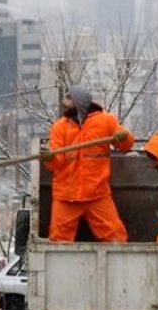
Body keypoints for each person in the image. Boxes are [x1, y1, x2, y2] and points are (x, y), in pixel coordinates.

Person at [43, 86, 134, 242]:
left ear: (79, 101)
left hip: (97, 194)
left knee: (116, 239)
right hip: (66, 196)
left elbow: (126, 146)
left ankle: (116, 266)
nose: (63, 102)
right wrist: (49, 158)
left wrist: (124, 136)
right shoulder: (59, 127)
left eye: (68, 98)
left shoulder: (106, 121)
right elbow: (57, 165)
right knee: (58, 243)